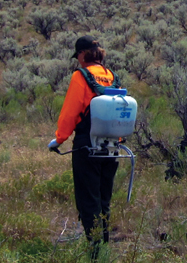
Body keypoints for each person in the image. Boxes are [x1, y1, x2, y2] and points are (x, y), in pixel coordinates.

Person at [47, 35, 121, 248]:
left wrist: (59, 139)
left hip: (87, 146)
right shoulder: (111, 76)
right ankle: (104, 246)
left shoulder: (80, 76)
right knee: (103, 200)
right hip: (112, 146)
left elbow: (70, 113)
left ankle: (95, 251)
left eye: (77, 55)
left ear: (82, 54)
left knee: (88, 201)